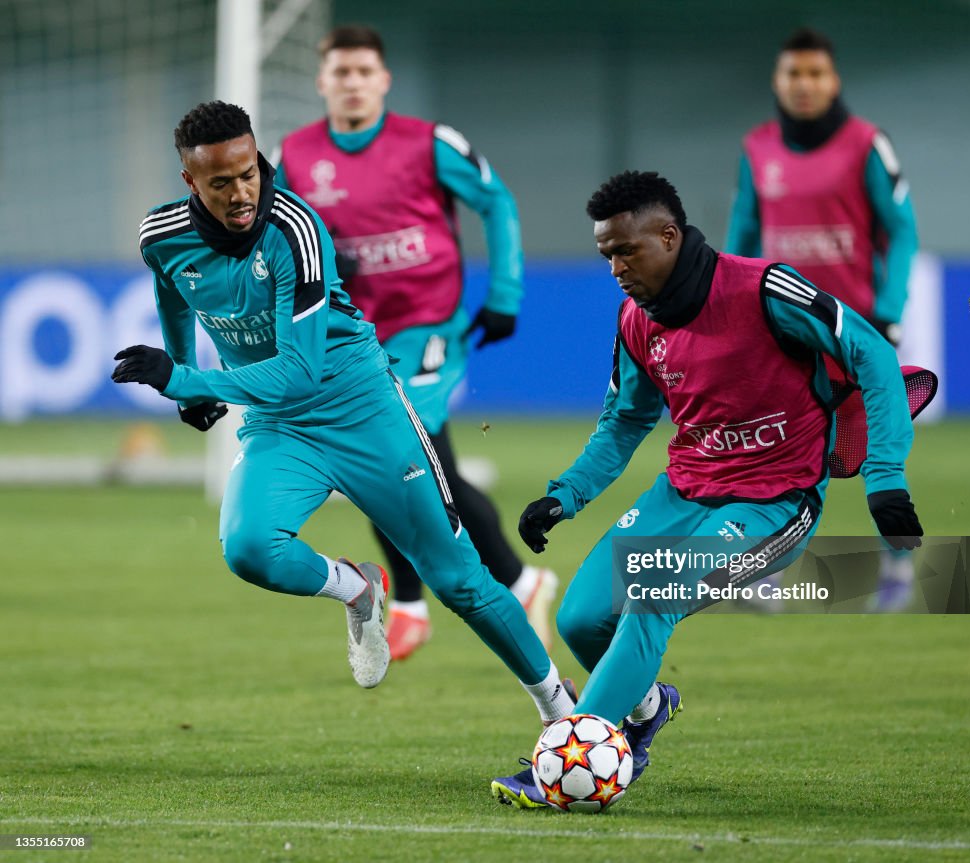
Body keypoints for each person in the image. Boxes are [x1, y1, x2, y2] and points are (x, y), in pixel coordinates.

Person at [113, 101, 576, 729]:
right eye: (221, 183)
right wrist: (186, 377)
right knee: (249, 548)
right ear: (190, 183)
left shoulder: (293, 228)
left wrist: (183, 377)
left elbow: (299, 371)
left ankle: (561, 710)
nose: (243, 191)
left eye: (249, 172)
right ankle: (358, 589)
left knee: (457, 580)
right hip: (280, 426)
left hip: (360, 407)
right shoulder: (161, 236)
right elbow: (174, 290)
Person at [491, 170, 923, 808]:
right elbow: (626, 420)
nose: (614, 266)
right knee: (581, 619)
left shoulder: (765, 290)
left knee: (651, 597)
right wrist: (568, 494)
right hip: (684, 489)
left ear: (668, 236)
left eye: (625, 250)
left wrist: (885, 480)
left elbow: (871, 355)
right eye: (605, 254)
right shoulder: (636, 319)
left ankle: (566, 762)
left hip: (774, 504)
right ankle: (644, 711)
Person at [274, 24, 556, 660]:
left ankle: (416, 600)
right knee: (410, 462)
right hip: (353, 338)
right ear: (322, 82)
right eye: (340, 73)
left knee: (391, 445)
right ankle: (512, 582)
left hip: (426, 325)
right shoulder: (294, 155)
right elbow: (284, 242)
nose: (351, 83)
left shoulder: (428, 143)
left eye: (363, 72)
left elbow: (497, 201)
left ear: (383, 80)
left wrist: (505, 293)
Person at [725, 27, 920, 611]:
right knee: (776, 454)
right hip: (780, 331)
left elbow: (903, 230)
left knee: (875, 449)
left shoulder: (866, 145)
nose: (804, 85)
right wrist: (728, 305)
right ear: (777, 81)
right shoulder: (756, 148)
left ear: (833, 80)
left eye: (815, 74)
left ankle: (898, 564)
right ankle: (764, 570)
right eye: (793, 74)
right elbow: (742, 235)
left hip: (853, 330)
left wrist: (887, 313)